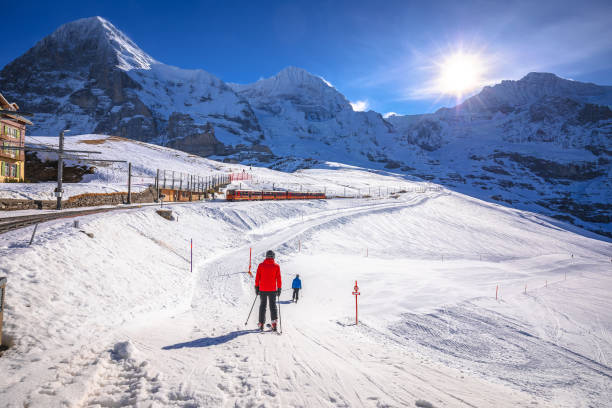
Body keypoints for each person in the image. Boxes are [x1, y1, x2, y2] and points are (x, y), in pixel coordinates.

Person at [255, 250, 282, 331]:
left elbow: (257, 278)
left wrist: (257, 287)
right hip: (272, 290)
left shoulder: (261, 265)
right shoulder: (276, 266)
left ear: (266, 256)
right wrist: (279, 288)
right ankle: (274, 324)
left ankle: (261, 324)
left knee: (263, 306)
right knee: (273, 306)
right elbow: (279, 279)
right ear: (273, 257)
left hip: (262, 289)